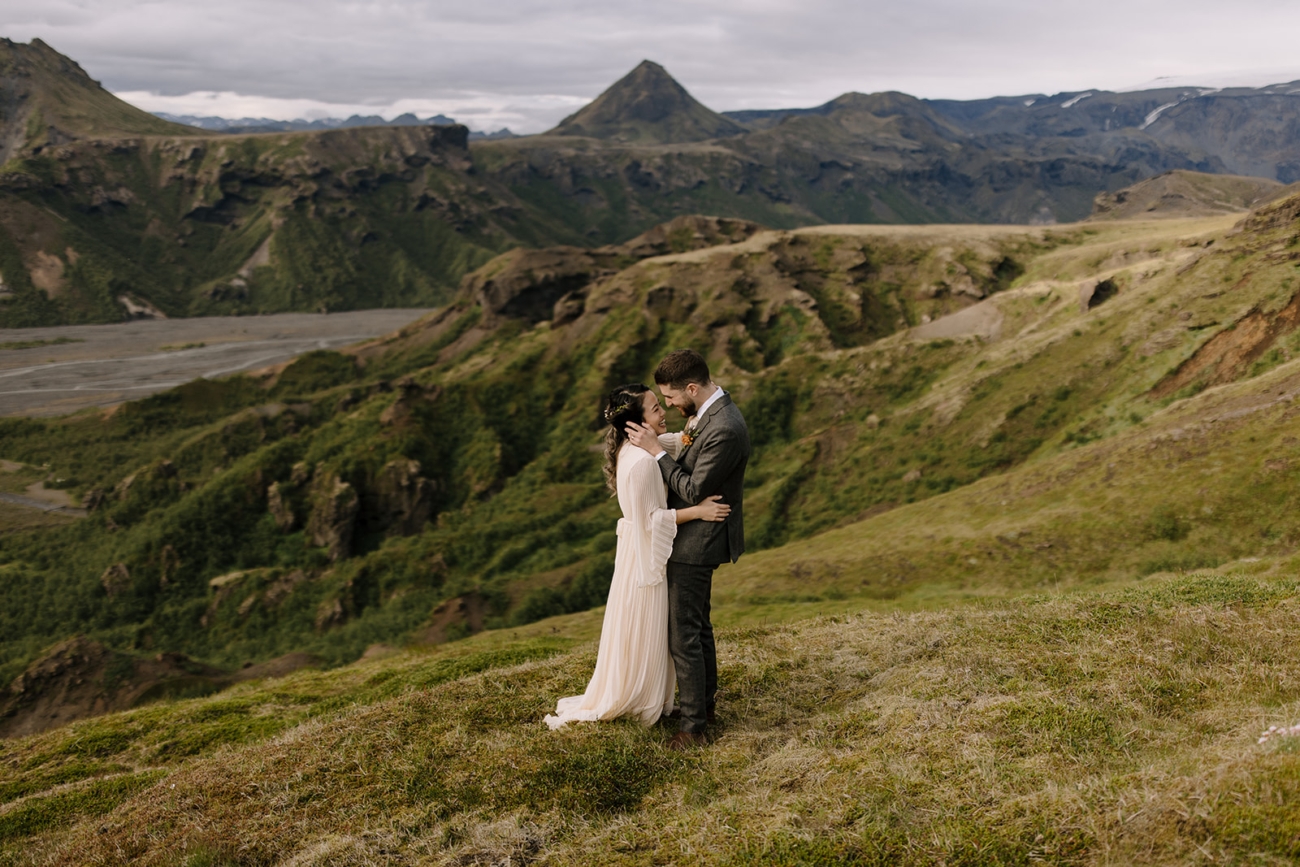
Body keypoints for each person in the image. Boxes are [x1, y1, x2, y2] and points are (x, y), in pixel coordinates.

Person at [544, 383, 731, 730]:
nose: (663, 412)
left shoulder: (639, 448)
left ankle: (654, 696)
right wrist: (699, 511)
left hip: (636, 552)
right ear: (638, 424)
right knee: (647, 630)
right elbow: (650, 522)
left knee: (646, 631)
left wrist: (697, 421)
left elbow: (672, 443)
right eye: (656, 408)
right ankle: (642, 698)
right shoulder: (642, 464)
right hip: (644, 557)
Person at [626, 349, 750, 750]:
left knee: (684, 635)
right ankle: (704, 706)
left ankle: (694, 729)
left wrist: (656, 453)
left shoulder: (725, 427)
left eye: (673, 397)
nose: (669, 405)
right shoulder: (707, 414)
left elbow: (695, 489)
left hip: (699, 541)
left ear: (692, 388)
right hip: (694, 535)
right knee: (698, 627)